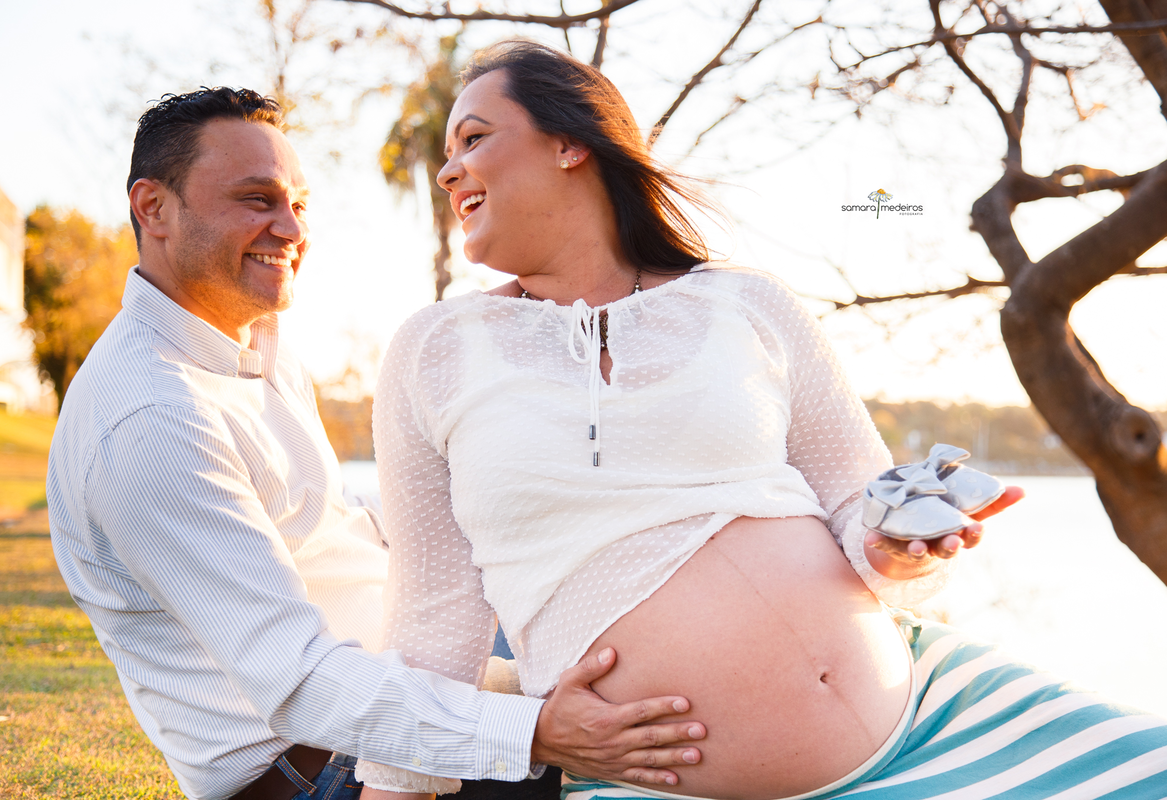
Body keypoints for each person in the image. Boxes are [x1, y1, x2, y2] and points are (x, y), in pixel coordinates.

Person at [363, 41, 1167, 800]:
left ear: (569, 143)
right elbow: (434, 615)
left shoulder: (745, 302)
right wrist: (390, 788)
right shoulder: (433, 352)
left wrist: (900, 544)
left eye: (472, 138)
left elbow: (857, 498)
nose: (448, 171)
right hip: (652, 779)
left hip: (943, 720)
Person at [46, 86, 710, 800]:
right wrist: (534, 732)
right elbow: (301, 681)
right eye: (256, 200)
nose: (291, 229)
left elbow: (337, 524)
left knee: (658, 645)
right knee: (662, 725)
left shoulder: (254, 340)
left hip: (404, 674)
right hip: (325, 767)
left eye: (298, 204)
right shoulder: (148, 422)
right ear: (154, 209)